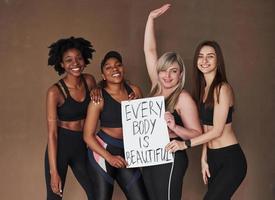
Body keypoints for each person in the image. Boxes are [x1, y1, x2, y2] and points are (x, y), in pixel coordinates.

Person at [166, 40, 247, 199]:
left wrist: (184, 144)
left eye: (210, 56)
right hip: (213, 157)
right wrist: (204, 158)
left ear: (218, 61)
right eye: (201, 56)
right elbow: (205, 129)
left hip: (230, 159)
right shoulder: (203, 90)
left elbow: (216, 131)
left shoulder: (222, 88)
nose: (204, 61)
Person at [142, 4, 202, 200]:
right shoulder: (156, 87)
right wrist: (150, 19)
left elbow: (197, 133)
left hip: (171, 156)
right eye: (163, 70)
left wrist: (175, 127)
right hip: (150, 156)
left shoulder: (182, 98)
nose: (167, 76)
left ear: (180, 74)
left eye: (173, 71)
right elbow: (150, 51)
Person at [83, 51, 149, 200]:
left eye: (118, 65)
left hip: (127, 151)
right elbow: (87, 136)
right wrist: (109, 157)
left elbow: (144, 124)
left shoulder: (135, 91)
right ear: (103, 76)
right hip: (103, 151)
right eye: (108, 67)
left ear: (123, 69)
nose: (114, 69)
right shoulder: (98, 99)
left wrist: (137, 103)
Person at [45, 36, 96, 199]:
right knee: (54, 196)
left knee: (96, 192)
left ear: (85, 59)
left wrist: (130, 91)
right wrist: (54, 171)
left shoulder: (89, 81)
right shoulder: (55, 92)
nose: (75, 63)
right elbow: (52, 134)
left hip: (83, 145)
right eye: (69, 60)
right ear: (61, 64)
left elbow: (107, 94)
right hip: (61, 146)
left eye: (79, 58)